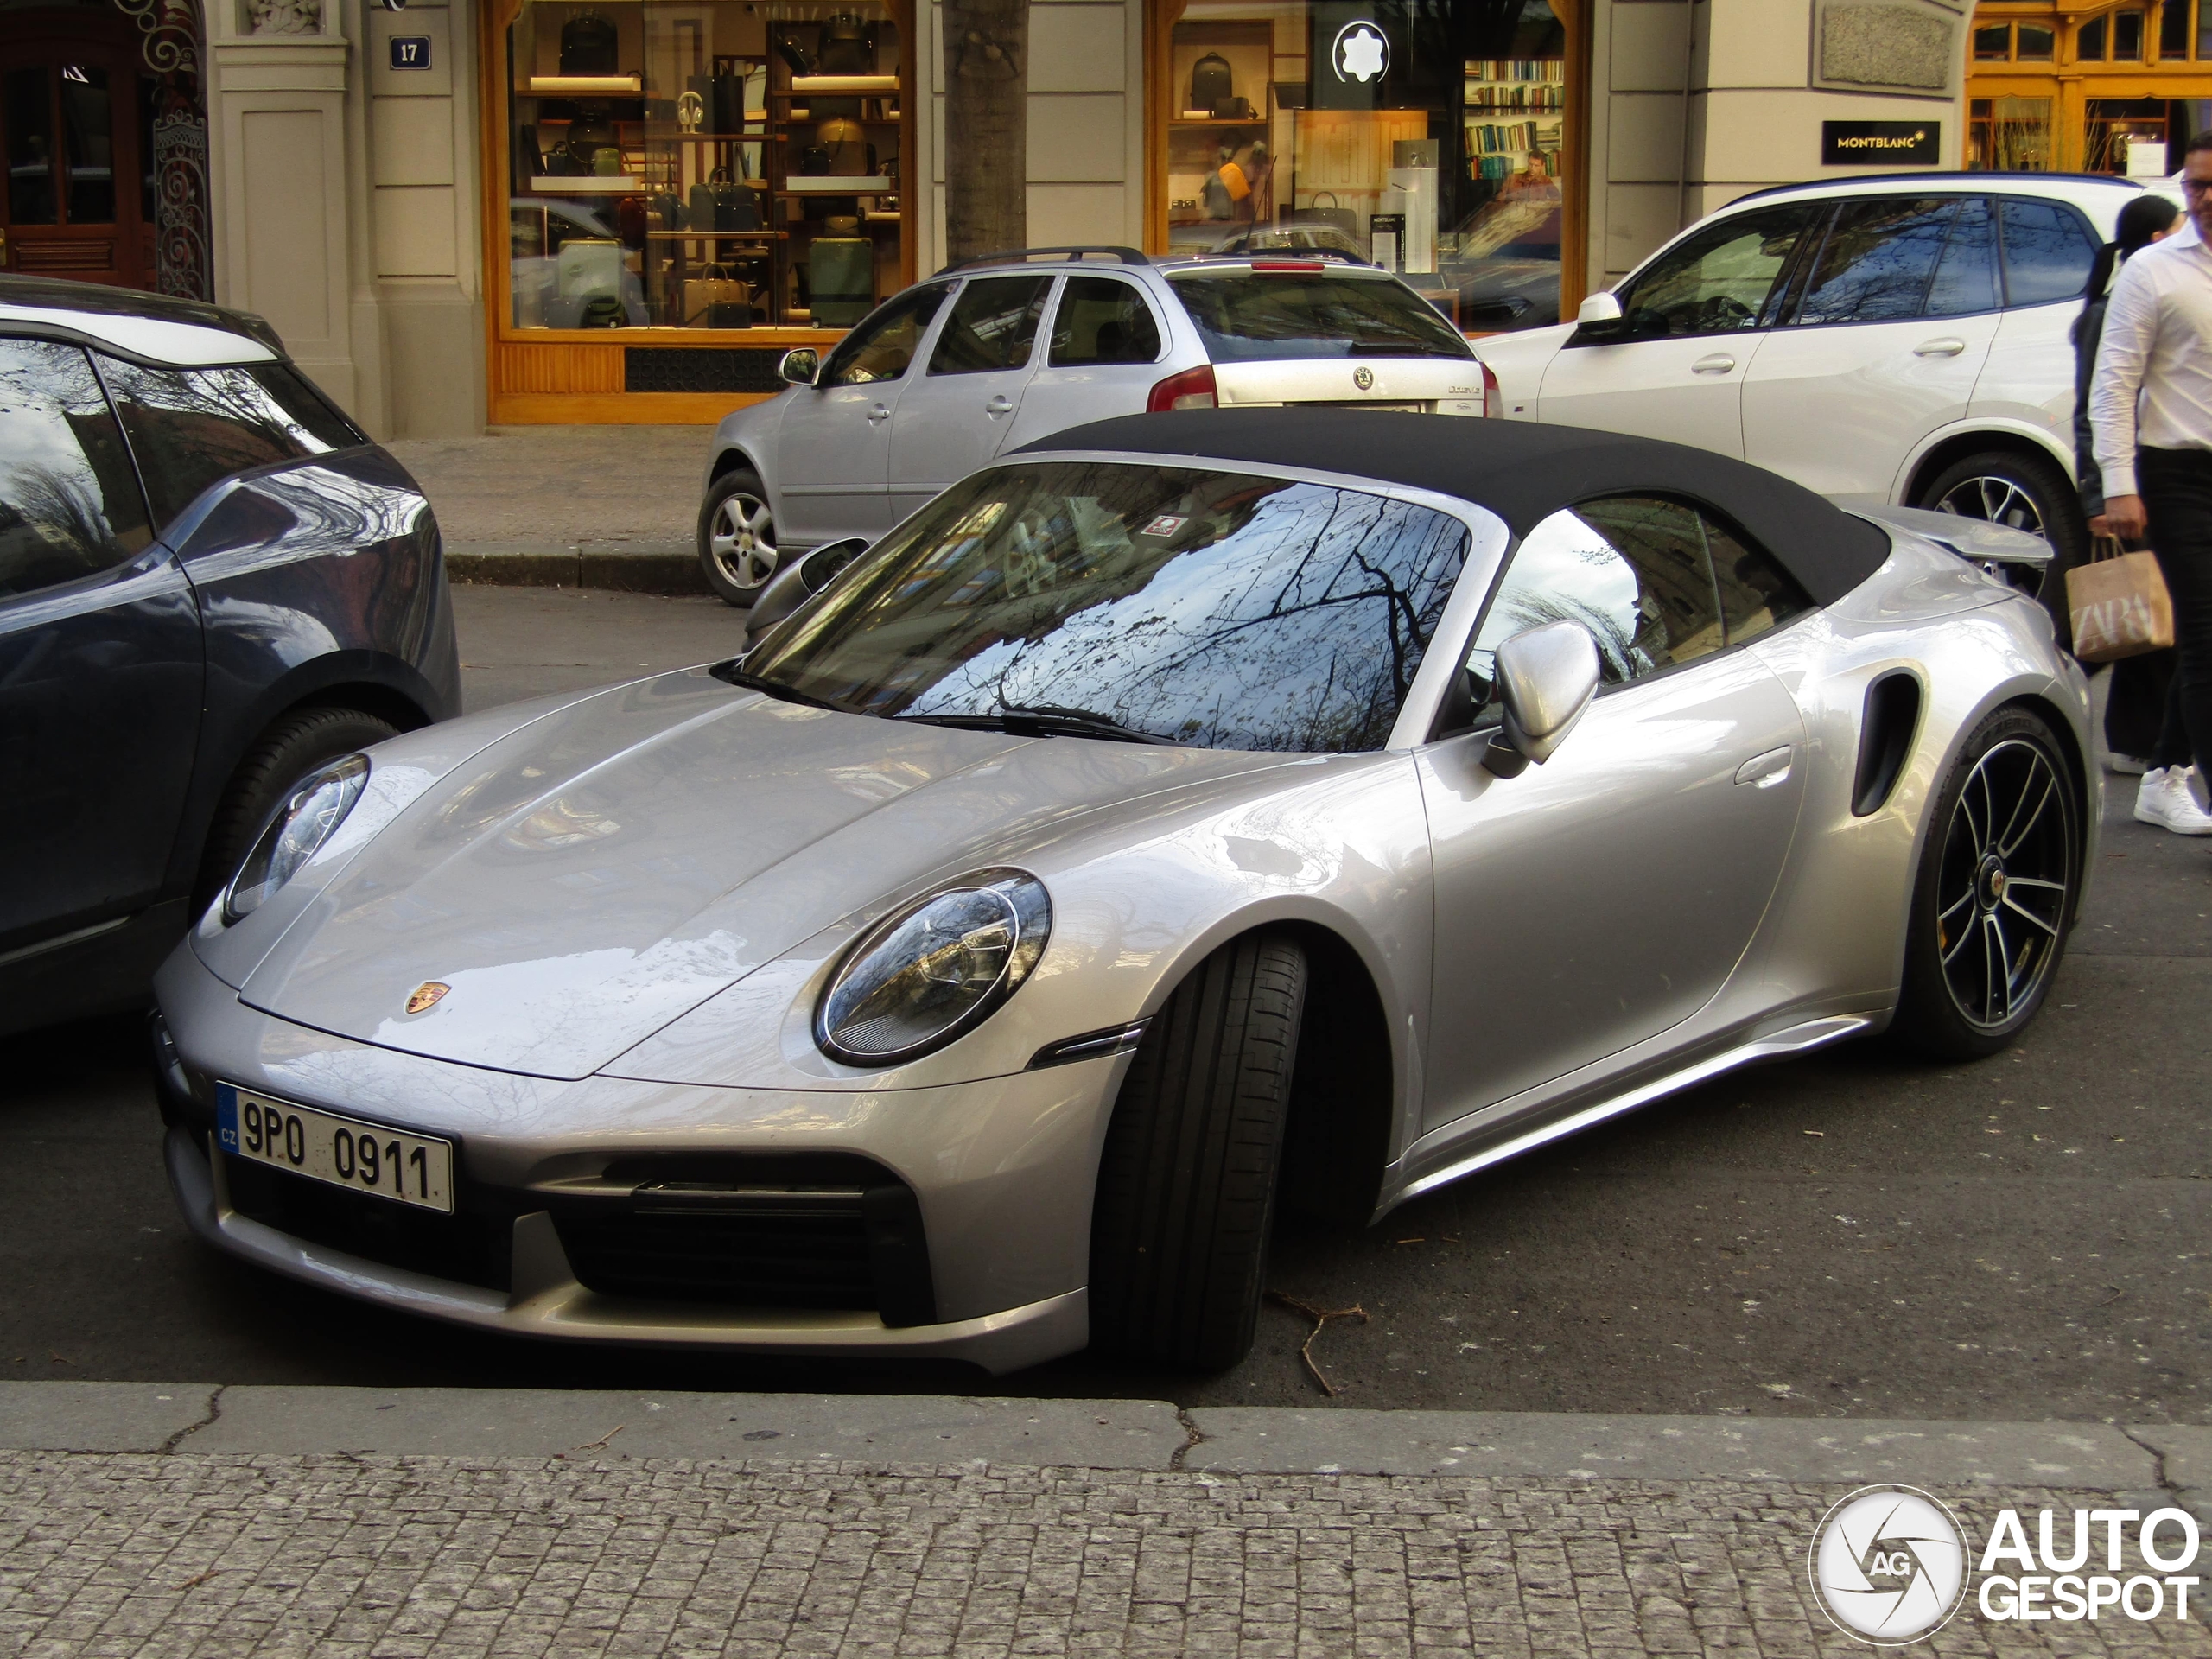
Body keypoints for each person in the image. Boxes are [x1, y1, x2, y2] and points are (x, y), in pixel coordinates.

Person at [2092, 135, 2212, 836]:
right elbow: (2114, 384)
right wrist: (2118, 484)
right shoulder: (2154, 268)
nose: (2203, 198)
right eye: (2196, 184)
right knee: (2203, 637)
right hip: (2176, 473)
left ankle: (2163, 777)